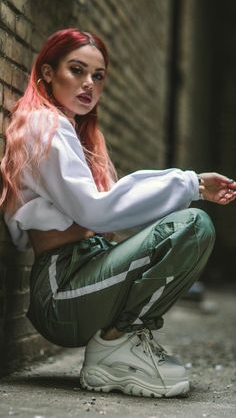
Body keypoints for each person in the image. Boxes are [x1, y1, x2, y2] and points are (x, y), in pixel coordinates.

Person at [0, 28, 235, 399]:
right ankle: (113, 345)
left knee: (191, 227)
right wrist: (191, 186)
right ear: (47, 72)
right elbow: (97, 212)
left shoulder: (70, 132)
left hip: (80, 275)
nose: (88, 84)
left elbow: (98, 215)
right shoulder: (42, 125)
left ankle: (120, 343)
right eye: (76, 70)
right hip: (62, 290)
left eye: (97, 76)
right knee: (191, 224)